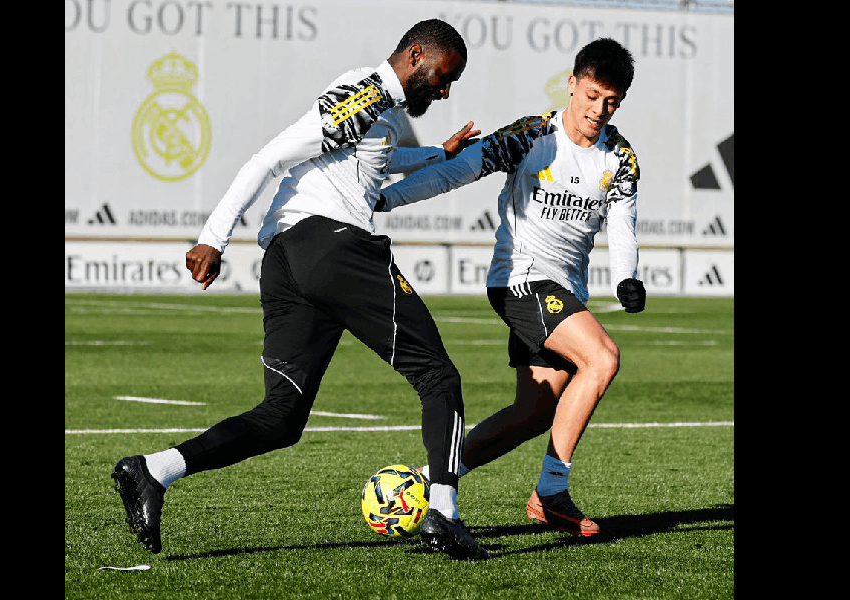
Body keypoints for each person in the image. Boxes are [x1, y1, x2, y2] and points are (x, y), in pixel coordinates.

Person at [112, 19, 491, 560]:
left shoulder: (378, 112)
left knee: (281, 417)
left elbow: (375, 158)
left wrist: (438, 153)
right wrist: (212, 238)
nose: (445, 90)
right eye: (441, 76)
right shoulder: (364, 93)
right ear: (414, 55)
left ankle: (153, 470)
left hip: (289, 260)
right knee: (437, 375)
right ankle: (444, 516)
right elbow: (269, 156)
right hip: (332, 246)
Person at [376, 38, 645, 537]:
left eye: (611, 102)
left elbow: (623, 224)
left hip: (565, 292)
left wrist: (628, 275)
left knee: (534, 411)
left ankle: (429, 483)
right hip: (520, 281)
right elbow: (458, 171)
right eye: (591, 95)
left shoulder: (620, 155)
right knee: (603, 358)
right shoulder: (531, 136)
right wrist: (386, 199)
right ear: (572, 84)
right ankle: (551, 491)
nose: (598, 110)